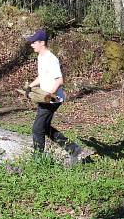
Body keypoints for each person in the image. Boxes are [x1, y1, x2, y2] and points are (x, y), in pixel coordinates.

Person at [25, 29, 90, 166]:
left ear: (42, 43)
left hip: (52, 99)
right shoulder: (41, 57)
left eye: (34, 42)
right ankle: (73, 149)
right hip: (45, 98)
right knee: (45, 127)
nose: (31, 44)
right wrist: (30, 86)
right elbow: (42, 76)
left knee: (37, 128)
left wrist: (50, 95)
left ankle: (39, 160)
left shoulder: (50, 58)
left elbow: (60, 80)